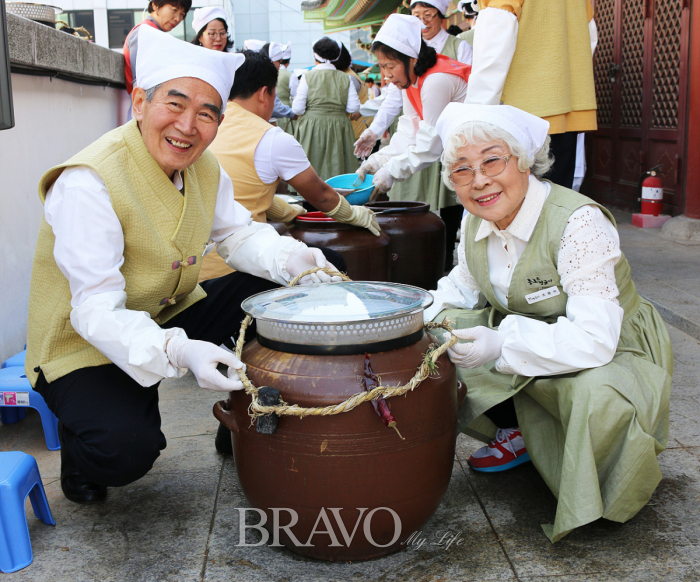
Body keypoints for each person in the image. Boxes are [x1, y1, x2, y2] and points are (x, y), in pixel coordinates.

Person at [26, 26, 343, 505]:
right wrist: (179, 353)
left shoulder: (203, 166)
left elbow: (236, 234)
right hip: (83, 340)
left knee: (292, 287)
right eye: (173, 104)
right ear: (138, 102)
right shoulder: (89, 183)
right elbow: (94, 311)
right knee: (126, 451)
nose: (188, 126)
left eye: (207, 113)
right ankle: (80, 445)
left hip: (164, 309)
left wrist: (294, 262)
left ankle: (241, 416)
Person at [426, 102, 672, 543]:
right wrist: (400, 316)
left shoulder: (578, 223)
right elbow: (459, 290)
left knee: (595, 393)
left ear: (523, 161)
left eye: (492, 160)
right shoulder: (475, 215)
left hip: (612, 344)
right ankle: (520, 430)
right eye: (462, 169)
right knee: (439, 328)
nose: (479, 180)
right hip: (532, 329)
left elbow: (595, 339)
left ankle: (603, 482)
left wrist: (500, 343)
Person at [201, 50, 380, 282]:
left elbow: (240, 193)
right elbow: (323, 196)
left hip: (197, 268)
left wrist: (294, 212)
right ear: (265, 93)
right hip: (233, 268)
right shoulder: (271, 137)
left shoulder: (209, 124)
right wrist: (357, 215)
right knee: (332, 262)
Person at [355, 4, 472, 270]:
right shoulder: (413, 81)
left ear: (412, 59)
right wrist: (380, 159)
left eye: (390, 66)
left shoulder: (435, 81)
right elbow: (409, 132)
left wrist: (391, 173)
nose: (385, 76)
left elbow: (429, 146)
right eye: (382, 67)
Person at [464, 0, 597, 189]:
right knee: (556, 200)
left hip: (521, 114)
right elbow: (588, 37)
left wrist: (475, 117)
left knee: (516, 204)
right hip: (567, 105)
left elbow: (494, 45)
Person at [292, 37, 360, 181]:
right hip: (339, 126)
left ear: (315, 55)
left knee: (311, 167)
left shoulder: (307, 76)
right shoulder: (345, 78)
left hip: (312, 127)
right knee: (338, 166)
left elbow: (297, 109)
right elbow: (353, 107)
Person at [122, 0, 191, 94]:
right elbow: (140, 80)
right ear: (155, 5)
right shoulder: (146, 32)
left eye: (182, 14)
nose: (177, 19)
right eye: (174, 10)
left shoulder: (154, 32)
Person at [276, 42, 295, 134]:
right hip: (287, 113)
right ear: (289, 61)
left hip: (270, 113)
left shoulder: (266, 73)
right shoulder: (291, 75)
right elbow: (295, 97)